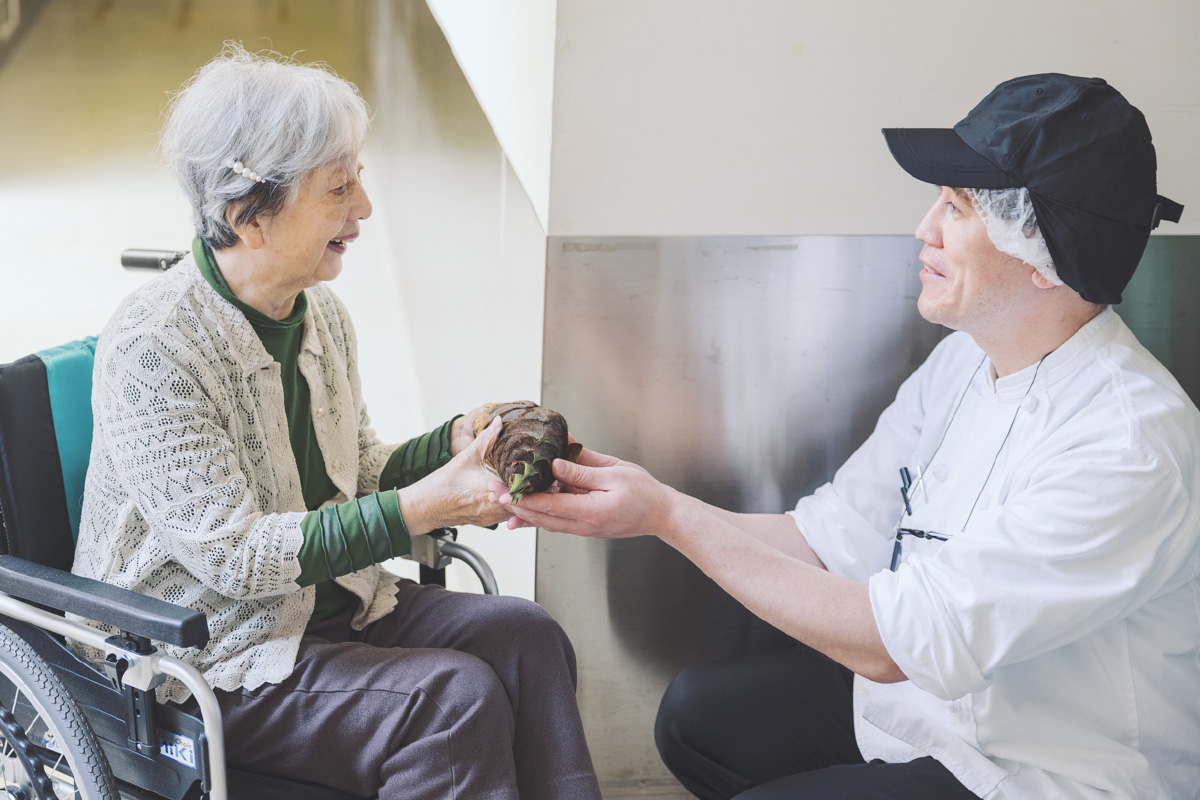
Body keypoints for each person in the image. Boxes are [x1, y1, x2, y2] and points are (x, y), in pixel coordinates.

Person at [496, 74, 1197, 800]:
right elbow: (828, 539)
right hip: (933, 719)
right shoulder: (967, 357)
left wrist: (670, 517)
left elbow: (898, 644)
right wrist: (645, 508)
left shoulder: (1126, 445)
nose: (924, 229)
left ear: (1048, 255)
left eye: (956, 208)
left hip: (1054, 774)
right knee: (695, 718)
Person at [71, 44, 601, 800]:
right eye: (337, 187)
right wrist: (427, 507)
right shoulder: (152, 351)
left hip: (327, 608)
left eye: (359, 178)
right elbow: (237, 560)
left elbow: (358, 470)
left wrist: (456, 444)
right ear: (246, 215)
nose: (363, 208)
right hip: (204, 656)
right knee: (449, 701)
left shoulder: (319, 315)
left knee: (527, 637)